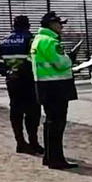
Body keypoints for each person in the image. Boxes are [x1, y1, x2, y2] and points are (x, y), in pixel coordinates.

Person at [31, 11, 78, 170]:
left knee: (50, 123)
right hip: (56, 87)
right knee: (57, 124)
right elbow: (60, 63)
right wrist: (70, 58)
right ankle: (56, 159)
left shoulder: (38, 40)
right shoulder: (51, 42)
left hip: (44, 86)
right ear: (51, 24)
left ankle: (49, 157)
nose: (61, 27)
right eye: (59, 23)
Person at [0, 15, 43, 155]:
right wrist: (21, 72)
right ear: (28, 25)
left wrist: (9, 72)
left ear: (13, 25)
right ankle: (33, 142)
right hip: (29, 80)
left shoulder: (3, 40)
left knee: (16, 111)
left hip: (12, 81)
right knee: (32, 112)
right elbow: (31, 58)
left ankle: (20, 143)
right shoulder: (31, 39)